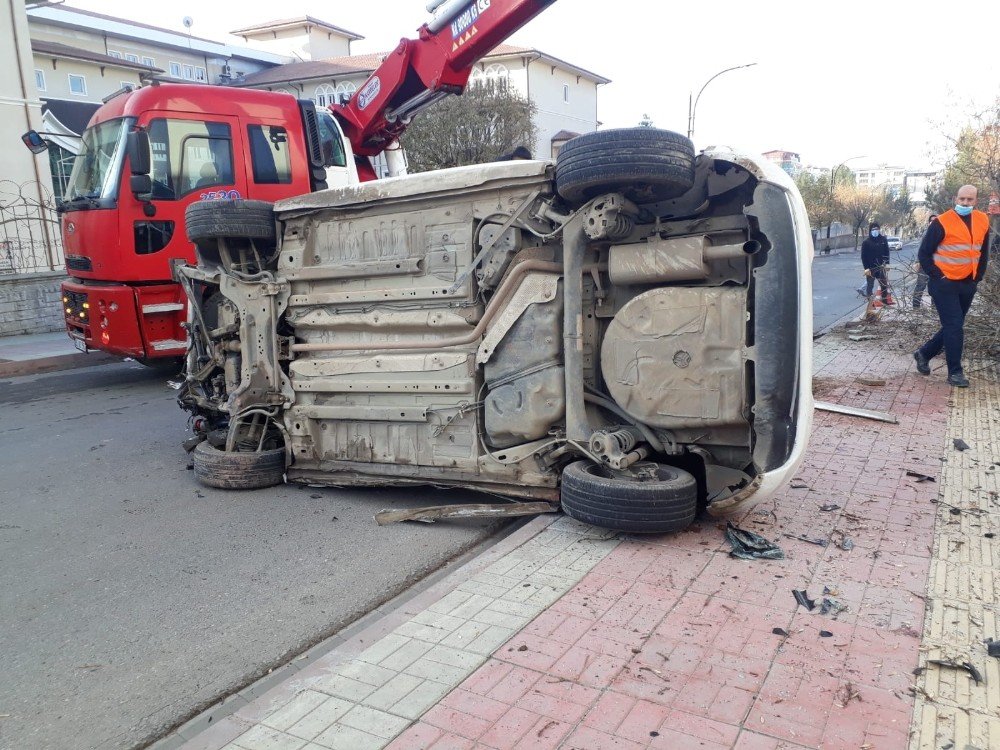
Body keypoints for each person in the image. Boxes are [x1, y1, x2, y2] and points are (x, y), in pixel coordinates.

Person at [913, 185, 990, 387]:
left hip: (967, 283)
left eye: (970, 200)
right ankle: (955, 372)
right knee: (954, 326)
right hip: (944, 285)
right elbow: (924, 254)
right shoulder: (941, 222)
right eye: (962, 199)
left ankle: (924, 353)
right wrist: (939, 277)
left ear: (976, 200)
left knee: (953, 327)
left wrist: (977, 278)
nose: (965, 203)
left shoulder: (983, 220)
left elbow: (983, 252)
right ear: (955, 198)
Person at [860, 221, 894, 304]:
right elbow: (863, 257)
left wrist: (887, 264)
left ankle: (885, 301)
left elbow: (886, 253)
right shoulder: (866, 242)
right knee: (870, 285)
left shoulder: (883, 240)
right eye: (873, 229)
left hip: (881, 267)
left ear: (879, 230)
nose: (875, 231)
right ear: (870, 231)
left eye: (877, 229)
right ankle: (870, 302)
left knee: (884, 284)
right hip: (871, 268)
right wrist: (866, 268)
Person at [911, 213, 935, 308]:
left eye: (936, 221)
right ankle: (916, 306)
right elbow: (920, 249)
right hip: (925, 265)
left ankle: (934, 307)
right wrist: (918, 262)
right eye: (932, 221)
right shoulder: (927, 233)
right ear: (929, 223)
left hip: (936, 265)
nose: (933, 222)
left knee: (934, 287)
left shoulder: (940, 233)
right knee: (920, 285)